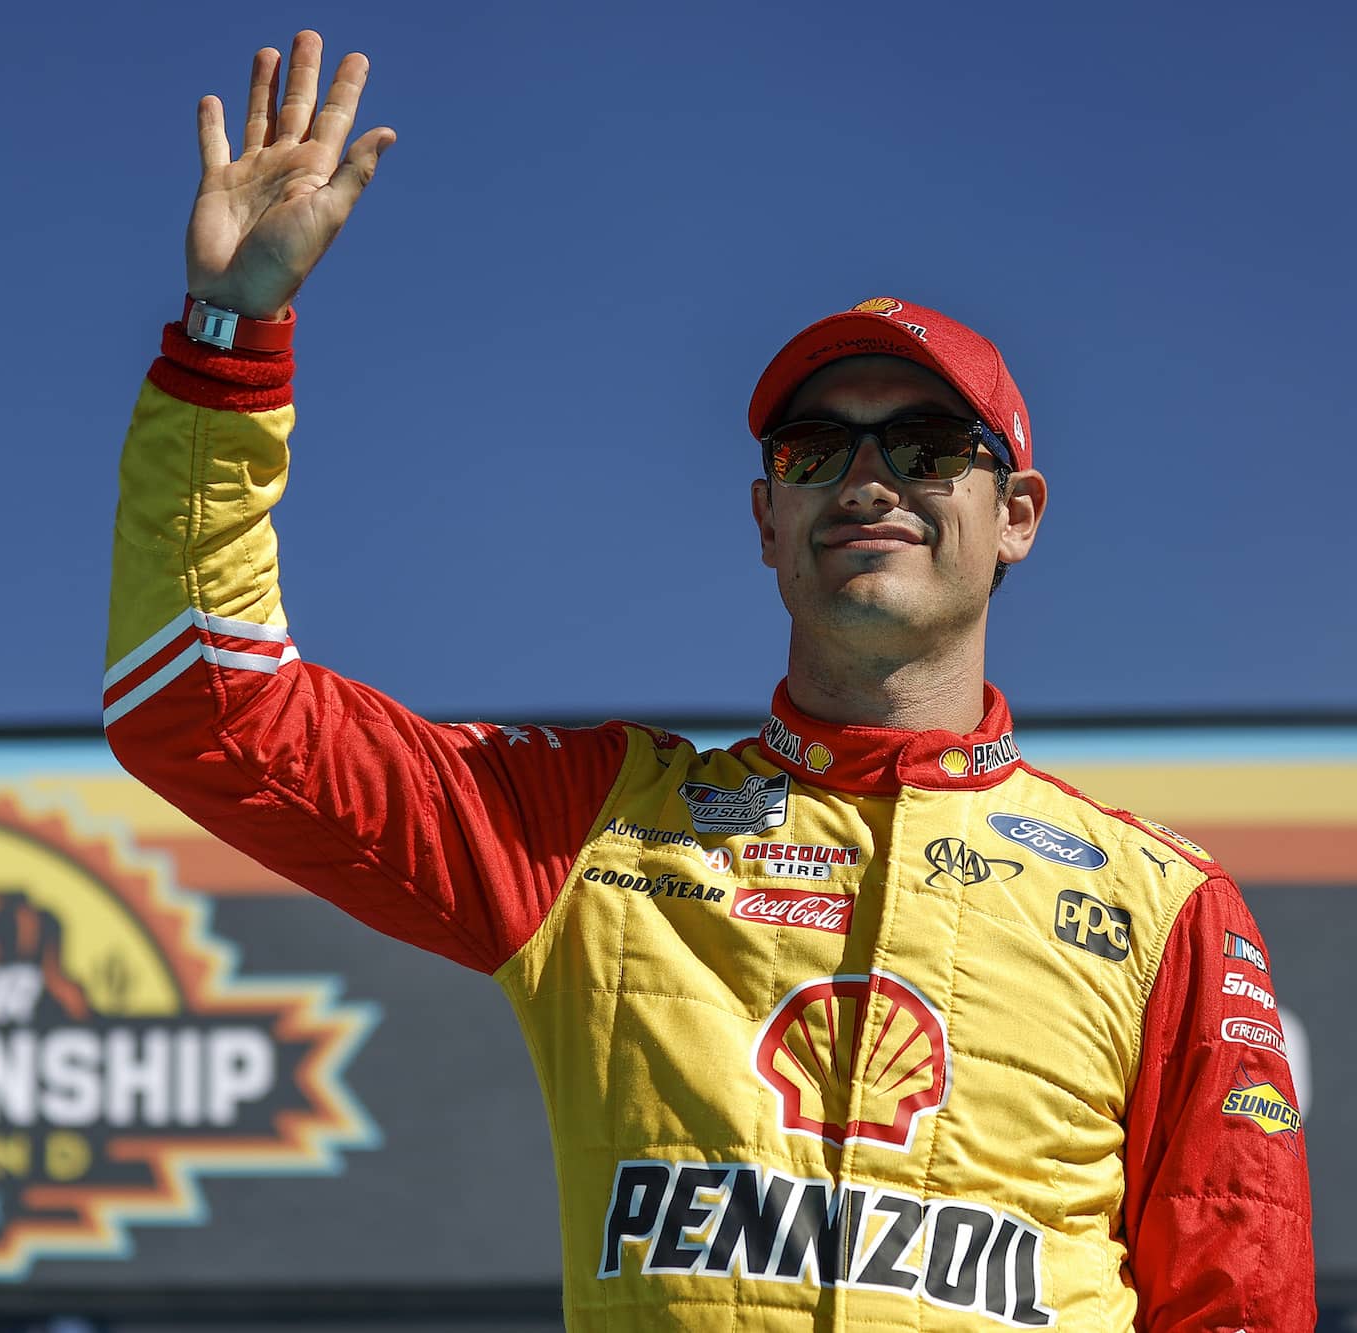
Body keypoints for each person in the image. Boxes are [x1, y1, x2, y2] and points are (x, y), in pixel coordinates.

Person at [102, 31, 1315, 1330]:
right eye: (814, 446)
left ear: (1015, 511)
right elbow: (204, 708)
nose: (866, 479)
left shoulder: (1166, 904)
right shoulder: (595, 819)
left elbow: (1235, 1301)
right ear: (765, 514)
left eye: (922, 442)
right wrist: (230, 336)